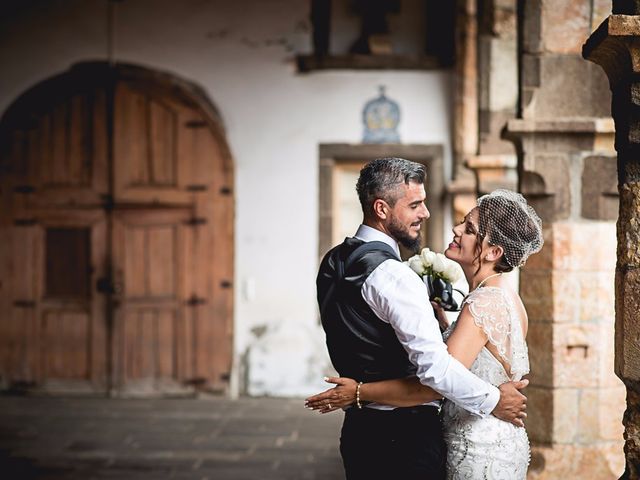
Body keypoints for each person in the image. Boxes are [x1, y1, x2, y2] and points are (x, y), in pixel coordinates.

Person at [310, 157, 530, 480]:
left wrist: (358, 392)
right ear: (382, 209)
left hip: (359, 433)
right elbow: (436, 372)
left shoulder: (333, 261)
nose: (425, 214)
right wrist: (496, 399)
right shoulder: (397, 278)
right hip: (405, 440)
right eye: (415, 205)